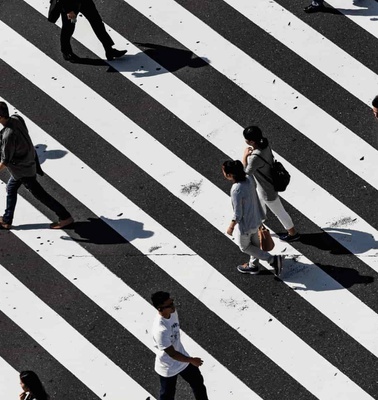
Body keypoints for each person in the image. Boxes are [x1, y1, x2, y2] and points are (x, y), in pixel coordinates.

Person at [0, 102, 74, 230]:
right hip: (29, 162)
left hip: (23, 170)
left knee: (41, 195)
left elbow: (6, 160)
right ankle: (7, 220)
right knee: (11, 188)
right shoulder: (17, 119)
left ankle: (65, 217)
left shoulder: (8, 135)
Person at [223, 160, 283, 275]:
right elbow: (247, 172)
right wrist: (245, 157)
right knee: (254, 244)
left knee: (244, 247)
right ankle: (253, 266)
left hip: (246, 225)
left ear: (230, 175)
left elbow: (238, 213)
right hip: (257, 219)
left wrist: (231, 226)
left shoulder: (236, 189)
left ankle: (272, 260)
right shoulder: (249, 179)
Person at [242, 126, 300, 243]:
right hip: (268, 183)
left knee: (279, 212)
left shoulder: (254, 157)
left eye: (246, 139)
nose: (245, 141)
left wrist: (245, 156)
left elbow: (246, 173)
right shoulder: (265, 145)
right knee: (259, 203)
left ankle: (293, 233)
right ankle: (259, 223)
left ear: (252, 141)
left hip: (267, 189)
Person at [151, 291, 208, 400]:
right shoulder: (160, 330)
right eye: (169, 305)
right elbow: (172, 354)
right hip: (168, 366)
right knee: (167, 396)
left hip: (182, 359)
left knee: (198, 383)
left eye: (172, 302)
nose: (173, 306)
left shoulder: (172, 312)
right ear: (160, 309)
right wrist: (191, 360)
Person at [60, 0, 127, 62]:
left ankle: (109, 50)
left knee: (97, 24)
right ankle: (66, 52)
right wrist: (68, 10)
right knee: (68, 29)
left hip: (84, 1)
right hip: (70, 5)